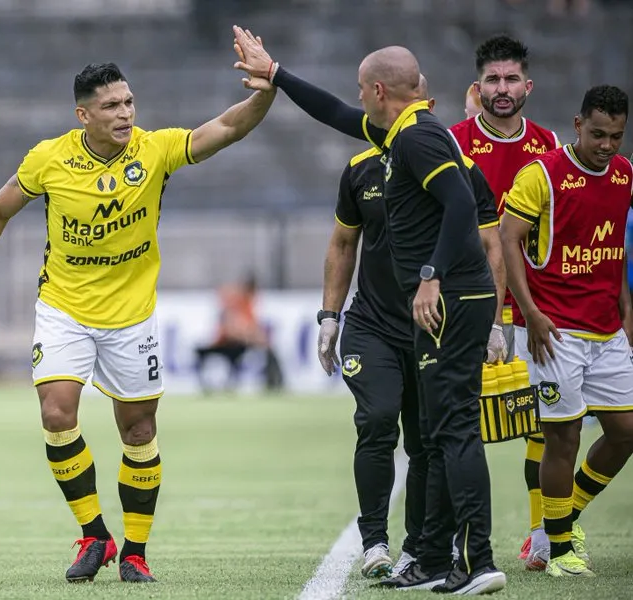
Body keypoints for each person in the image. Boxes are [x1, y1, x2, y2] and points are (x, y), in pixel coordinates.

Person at [0, 62, 276, 583]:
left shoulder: (155, 149)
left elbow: (227, 127)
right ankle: (95, 534)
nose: (125, 114)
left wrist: (266, 93)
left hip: (131, 317)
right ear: (83, 115)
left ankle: (135, 552)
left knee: (139, 430)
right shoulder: (48, 159)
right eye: (112, 106)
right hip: (64, 309)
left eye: (129, 102)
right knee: (56, 415)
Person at [233, 27, 506, 594]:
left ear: (380, 91)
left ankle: (476, 561)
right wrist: (276, 74)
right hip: (430, 305)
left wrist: (430, 277)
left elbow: (461, 204)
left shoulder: (418, 139)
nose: (357, 97)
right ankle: (432, 560)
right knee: (435, 432)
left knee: (451, 431)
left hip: (450, 300)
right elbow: (333, 112)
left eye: (362, 89)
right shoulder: (401, 134)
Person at [317, 76, 505, 581]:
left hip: (435, 315)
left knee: (434, 438)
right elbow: (343, 243)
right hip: (374, 322)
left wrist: (493, 320)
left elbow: (489, 243)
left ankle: (435, 552)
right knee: (380, 418)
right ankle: (378, 542)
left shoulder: (441, 155)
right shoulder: (367, 162)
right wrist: (330, 315)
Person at [500, 85, 633, 578]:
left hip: (606, 330)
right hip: (555, 331)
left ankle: (560, 519)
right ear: (578, 125)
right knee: (563, 436)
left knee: (626, 432)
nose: (606, 145)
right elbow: (508, 240)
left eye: (616, 136)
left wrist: (626, 310)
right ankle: (558, 550)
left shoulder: (625, 174)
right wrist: (530, 313)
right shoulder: (542, 174)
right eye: (597, 134)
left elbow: (613, 247)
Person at [449, 35, 562, 571]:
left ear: (527, 86)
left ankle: (542, 536)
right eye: (492, 79)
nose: (502, 88)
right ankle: (454, 540)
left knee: (545, 425)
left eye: (511, 79)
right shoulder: (452, 142)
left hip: (533, 310)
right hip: (469, 309)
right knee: (459, 428)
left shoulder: (551, 145)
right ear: (478, 87)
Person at [194, 273, 284, 393]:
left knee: (268, 349)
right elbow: (232, 329)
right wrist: (251, 337)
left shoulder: (247, 305)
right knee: (263, 347)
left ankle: (275, 382)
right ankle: (274, 381)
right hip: (225, 342)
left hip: (238, 343)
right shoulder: (235, 301)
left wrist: (258, 338)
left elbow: (251, 328)